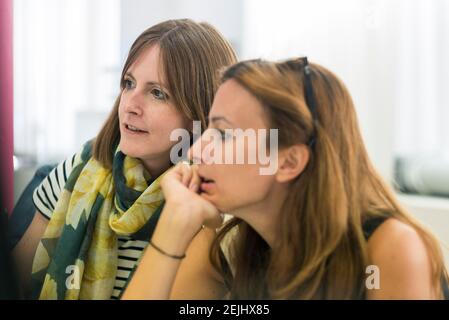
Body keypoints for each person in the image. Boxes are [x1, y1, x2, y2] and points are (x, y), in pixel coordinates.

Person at [122, 57, 449, 299]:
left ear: (289, 161)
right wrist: (173, 226)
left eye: (223, 134)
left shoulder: (389, 249)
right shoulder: (226, 243)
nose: (195, 150)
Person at [11, 18, 237, 299]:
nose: (130, 105)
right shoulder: (77, 169)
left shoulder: (215, 205)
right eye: (128, 83)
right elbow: (16, 286)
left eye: (157, 93)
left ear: (201, 110)